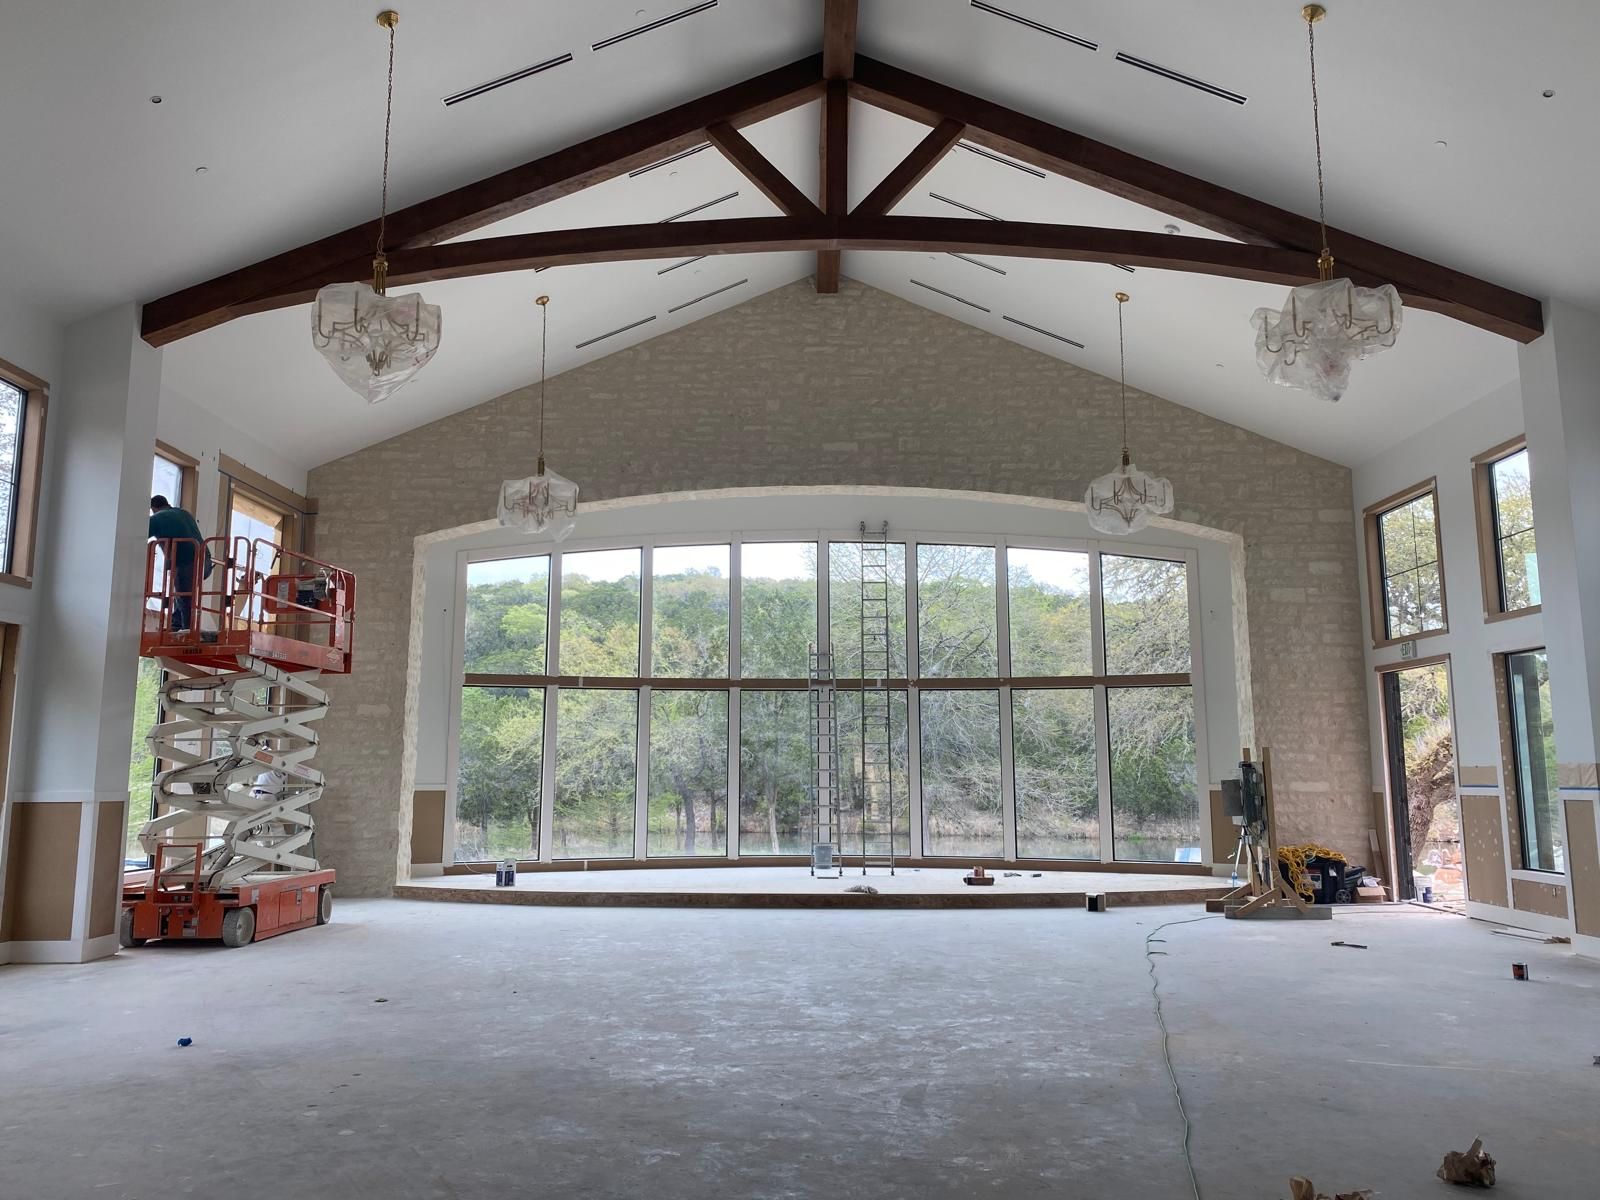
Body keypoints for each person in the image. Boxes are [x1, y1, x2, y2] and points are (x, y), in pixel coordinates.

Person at [148, 495, 208, 632]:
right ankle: (177, 624)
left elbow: (136, 534)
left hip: (186, 561)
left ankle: (186, 629)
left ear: (153, 508)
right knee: (180, 593)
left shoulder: (157, 518)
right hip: (205, 561)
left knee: (183, 595)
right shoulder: (183, 513)